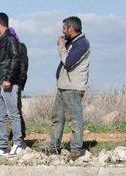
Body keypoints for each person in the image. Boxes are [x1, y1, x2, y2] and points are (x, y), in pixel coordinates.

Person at [45, 16, 90, 161]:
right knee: (57, 117)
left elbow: (68, 62)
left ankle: (76, 149)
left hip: (73, 87)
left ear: (71, 29)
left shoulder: (82, 44)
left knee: (75, 118)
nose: (63, 31)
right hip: (63, 86)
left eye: (64, 28)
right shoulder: (72, 43)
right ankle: (54, 146)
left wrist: (60, 46)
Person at [0, 12, 24, 156]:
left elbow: (15, 58)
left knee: (13, 114)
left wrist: (8, 78)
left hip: (7, 82)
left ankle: (18, 144)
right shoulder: (1, 40)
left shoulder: (10, 38)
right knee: (0, 115)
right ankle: (3, 146)